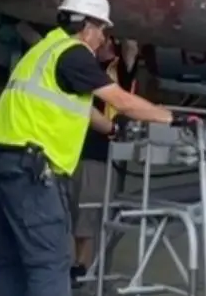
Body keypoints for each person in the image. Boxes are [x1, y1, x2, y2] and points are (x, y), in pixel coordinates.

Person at [0, 0, 178, 296]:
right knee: (51, 261)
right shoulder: (74, 54)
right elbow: (121, 100)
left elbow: (80, 109)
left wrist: (111, 129)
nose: (103, 38)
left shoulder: (44, 51)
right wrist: (171, 118)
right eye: (101, 29)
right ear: (86, 27)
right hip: (30, 172)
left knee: (11, 262)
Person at [69, 37, 141, 284]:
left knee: (96, 213)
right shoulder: (85, 67)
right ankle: (84, 268)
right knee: (84, 212)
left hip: (105, 153)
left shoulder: (118, 69)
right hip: (85, 151)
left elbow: (131, 47)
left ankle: (89, 269)